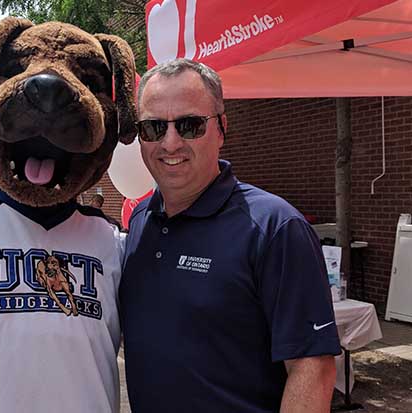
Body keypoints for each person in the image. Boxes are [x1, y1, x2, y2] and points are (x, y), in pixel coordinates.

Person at [119, 58, 341, 413]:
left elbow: (312, 367)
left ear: (221, 128)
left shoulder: (275, 228)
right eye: (154, 127)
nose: (170, 143)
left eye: (190, 125)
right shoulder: (141, 222)